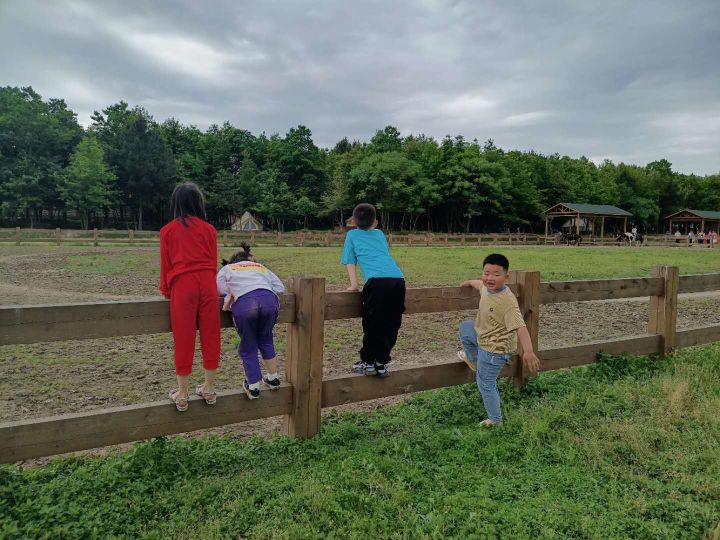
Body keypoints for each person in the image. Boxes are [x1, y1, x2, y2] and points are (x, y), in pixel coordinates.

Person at [457, 253, 541, 427]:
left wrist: (529, 351)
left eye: (496, 274)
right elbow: (479, 284)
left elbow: (521, 327)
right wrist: (468, 282)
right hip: (484, 336)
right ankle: (474, 361)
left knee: (485, 384)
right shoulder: (486, 288)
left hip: (495, 349)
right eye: (486, 273)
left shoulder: (507, 302)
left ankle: (496, 421)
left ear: (506, 277)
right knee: (466, 328)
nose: (490, 278)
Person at [160, 182, 220, 411]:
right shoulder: (209, 229)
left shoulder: (167, 231)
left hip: (183, 286)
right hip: (207, 284)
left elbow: (165, 265)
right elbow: (213, 262)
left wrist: (167, 291)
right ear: (198, 202)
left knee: (183, 338)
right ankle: (209, 388)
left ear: (176, 203)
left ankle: (182, 393)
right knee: (211, 335)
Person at [341, 203, 405, 378]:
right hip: (398, 280)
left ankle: (368, 362)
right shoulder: (379, 234)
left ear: (353, 221)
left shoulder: (352, 234)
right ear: (375, 222)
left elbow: (350, 261)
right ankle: (381, 362)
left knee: (373, 323)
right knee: (392, 322)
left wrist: (354, 286)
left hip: (376, 283)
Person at [216, 243, 285, 399]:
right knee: (266, 339)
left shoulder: (227, 269)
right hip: (269, 301)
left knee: (248, 344)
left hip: (246, 304)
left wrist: (234, 291)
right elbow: (280, 287)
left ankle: (253, 386)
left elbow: (220, 289)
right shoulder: (260, 267)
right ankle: (273, 378)